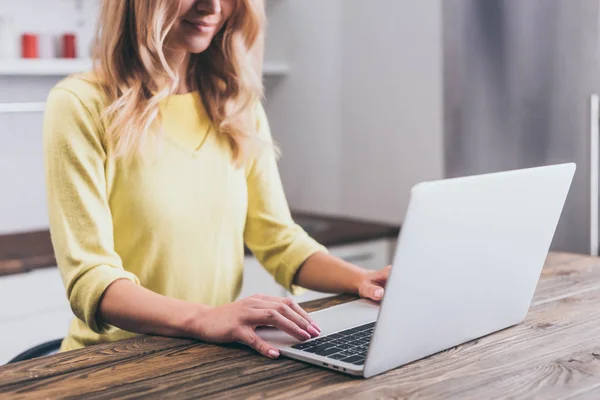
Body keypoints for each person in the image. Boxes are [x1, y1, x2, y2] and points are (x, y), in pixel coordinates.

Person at [43, 0, 390, 359]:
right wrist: (207, 318)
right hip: (114, 362)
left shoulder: (236, 104)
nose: (212, 7)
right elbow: (92, 279)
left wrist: (361, 280)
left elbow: (278, 239)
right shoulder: (80, 104)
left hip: (208, 357)